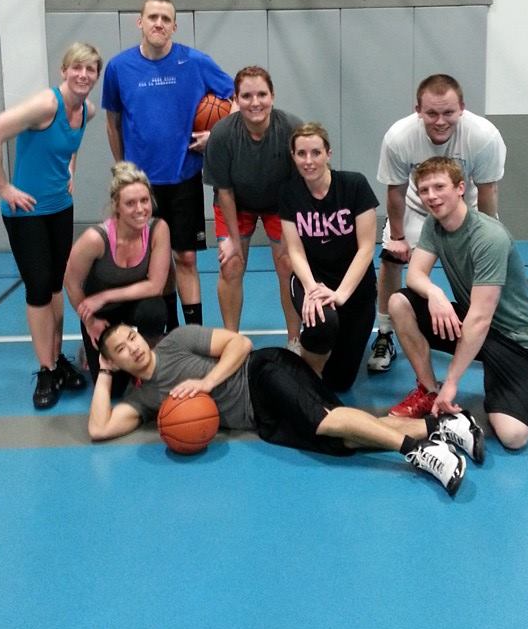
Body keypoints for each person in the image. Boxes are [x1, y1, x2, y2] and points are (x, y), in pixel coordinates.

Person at [88, 321, 487, 497]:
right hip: (263, 420)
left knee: (325, 421)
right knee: (340, 441)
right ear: (118, 361)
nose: (133, 348)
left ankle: (418, 454)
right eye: (121, 350)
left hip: (263, 371)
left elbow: (240, 344)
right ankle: (442, 426)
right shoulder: (144, 399)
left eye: (131, 338)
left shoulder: (177, 341)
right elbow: (100, 429)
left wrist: (205, 384)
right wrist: (104, 375)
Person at [388, 157, 528, 451]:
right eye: (424, 190)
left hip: (510, 338)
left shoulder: (488, 237)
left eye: (439, 187)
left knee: (514, 437)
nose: (432, 196)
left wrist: (452, 383)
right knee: (399, 303)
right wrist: (435, 294)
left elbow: (480, 319)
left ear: (460, 188)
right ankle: (428, 390)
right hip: (471, 321)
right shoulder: (434, 226)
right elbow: (415, 275)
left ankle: (516, 374)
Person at [0, 42, 101, 409]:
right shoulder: (47, 105)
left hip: (60, 207)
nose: (83, 75)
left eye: (90, 70)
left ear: (96, 76)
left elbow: (70, 146)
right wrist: (4, 187)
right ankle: (46, 370)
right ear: (64, 71)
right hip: (26, 211)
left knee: (55, 284)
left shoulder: (87, 110)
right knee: (37, 288)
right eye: (76, 68)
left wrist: (71, 172)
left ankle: (58, 358)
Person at [101, 0, 233, 330]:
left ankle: (193, 335)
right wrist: (122, 168)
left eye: (166, 19)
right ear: (140, 22)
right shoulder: (119, 68)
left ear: (174, 26)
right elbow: (112, 121)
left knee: (185, 257)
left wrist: (213, 137)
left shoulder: (195, 62)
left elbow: (237, 103)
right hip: (141, 186)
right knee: (151, 262)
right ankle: (167, 329)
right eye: (153, 17)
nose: (159, 23)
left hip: (184, 177)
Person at [367, 73, 507, 376]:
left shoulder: (483, 135)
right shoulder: (399, 137)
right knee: (391, 258)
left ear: (462, 108)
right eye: (431, 113)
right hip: (418, 207)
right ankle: (385, 333)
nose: (440, 121)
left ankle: (484, 331)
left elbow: (487, 191)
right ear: (418, 109)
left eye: (448, 113)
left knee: (481, 263)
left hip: (463, 206)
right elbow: (395, 192)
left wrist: (486, 235)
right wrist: (399, 237)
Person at [203, 66, 302, 348]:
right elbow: (224, 191)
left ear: (273, 96)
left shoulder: (291, 129)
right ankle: (232, 342)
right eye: (247, 96)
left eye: (262, 94)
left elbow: (300, 187)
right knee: (231, 265)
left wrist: (293, 238)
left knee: (288, 265)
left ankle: (294, 341)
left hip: (280, 204)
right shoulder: (222, 134)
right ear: (236, 98)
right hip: (236, 204)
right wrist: (233, 240)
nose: (255, 102)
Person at [279, 123, 378, 392]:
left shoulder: (354, 185)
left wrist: (341, 294)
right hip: (313, 280)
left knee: (340, 382)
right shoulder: (289, 193)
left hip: (354, 287)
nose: (308, 161)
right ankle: (305, 376)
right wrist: (311, 290)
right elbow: (295, 251)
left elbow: (367, 248)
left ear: (328, 154)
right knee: (323, 322)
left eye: (315, 152)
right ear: (294, 156)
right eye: (301, 154)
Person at [64, 162, 171, 396]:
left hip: (135, 306)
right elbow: (71, 283)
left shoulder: (158, 229)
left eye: (144, 200)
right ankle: (88, 350)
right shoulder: (95, 239)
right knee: (114, 391)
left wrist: (105, 295)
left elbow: (155, 285)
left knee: (154, 310)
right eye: (130, 203)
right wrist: (91, 321)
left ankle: (146, 356)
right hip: (102, 316)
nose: (140, 209)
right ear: (117, 207)